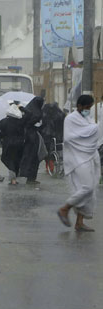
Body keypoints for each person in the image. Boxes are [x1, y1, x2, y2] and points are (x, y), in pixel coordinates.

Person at [57, 95, 100, 232]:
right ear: (79, 106)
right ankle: (65, 208)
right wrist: (93, 130)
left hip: (89, 156)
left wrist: (93, 130)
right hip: (77, 158)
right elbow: (70, 138)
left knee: (90, 190)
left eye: (90, 108)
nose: (88, 110)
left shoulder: (87, 119)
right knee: (86, 188)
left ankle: (79, 222)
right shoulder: (70, 119)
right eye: (87, 107)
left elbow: (92, 133)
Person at [0, 102, 25, 185]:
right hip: (20, 143)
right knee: (17, 159)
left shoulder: (4, 121)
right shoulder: (20, 121)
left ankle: (13, 179)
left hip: (8, 143)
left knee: (9, 159)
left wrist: (1, 136)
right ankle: (14, 176)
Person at [19, 97, 44, 184]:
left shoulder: (28, 110)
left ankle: (28, 176)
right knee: (33, 157)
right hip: (33, 137)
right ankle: (30, 177)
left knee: (29, 156)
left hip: (28, 136)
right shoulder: (37, 112)